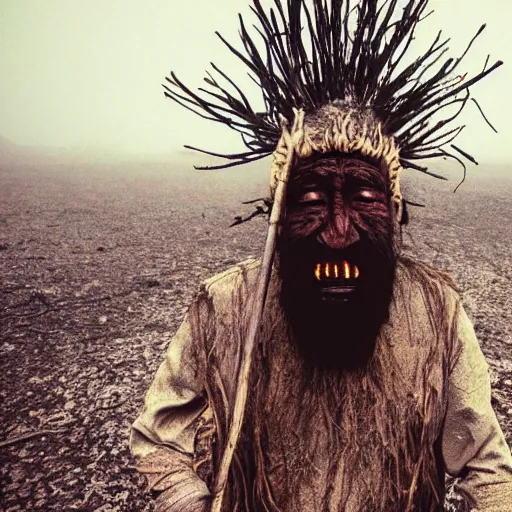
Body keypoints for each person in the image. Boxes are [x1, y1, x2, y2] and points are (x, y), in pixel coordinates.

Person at [130, 1, 512, 510]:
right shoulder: (226, 307)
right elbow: (158, 436)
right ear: (279, 214)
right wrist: (187, 501)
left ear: (395, 211)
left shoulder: (436, 313)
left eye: (365, 199)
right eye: (310, 201)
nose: (338, 234)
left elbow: (487, 468)